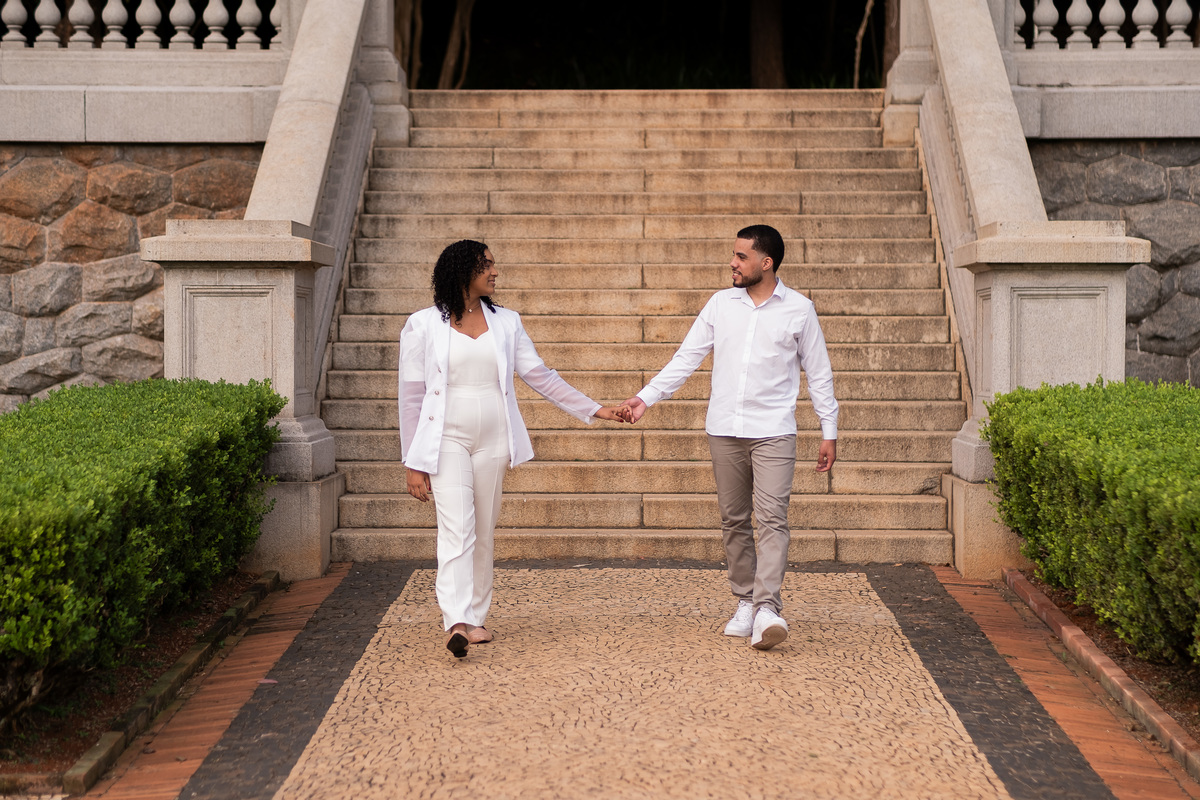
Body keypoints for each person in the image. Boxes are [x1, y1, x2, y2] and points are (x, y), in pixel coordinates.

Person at [399, 240, 629, 658]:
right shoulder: (422, 325)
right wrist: (413, 462)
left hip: (494, 440)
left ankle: (476, 616)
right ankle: (455, 620)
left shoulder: (507, 322)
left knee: (483, 528)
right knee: (457, 528)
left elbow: (542, 377)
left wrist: (598, 410)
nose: (495, 271)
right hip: (445, 439)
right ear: (462, 270)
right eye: (486, 264)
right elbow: (411, 398)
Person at [620, 225, 838, 651]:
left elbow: (820, 372)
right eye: (734, 255)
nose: (733, 263)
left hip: (774, 430)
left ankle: (768, 608)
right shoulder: (721, 304)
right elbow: (687, 357)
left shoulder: (799, 309)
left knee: (772, 518)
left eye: (741, 257)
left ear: (765, 263)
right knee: (734, 520)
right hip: (724, 428)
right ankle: (745, 601)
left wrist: (828, 429)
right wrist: (646, 398)